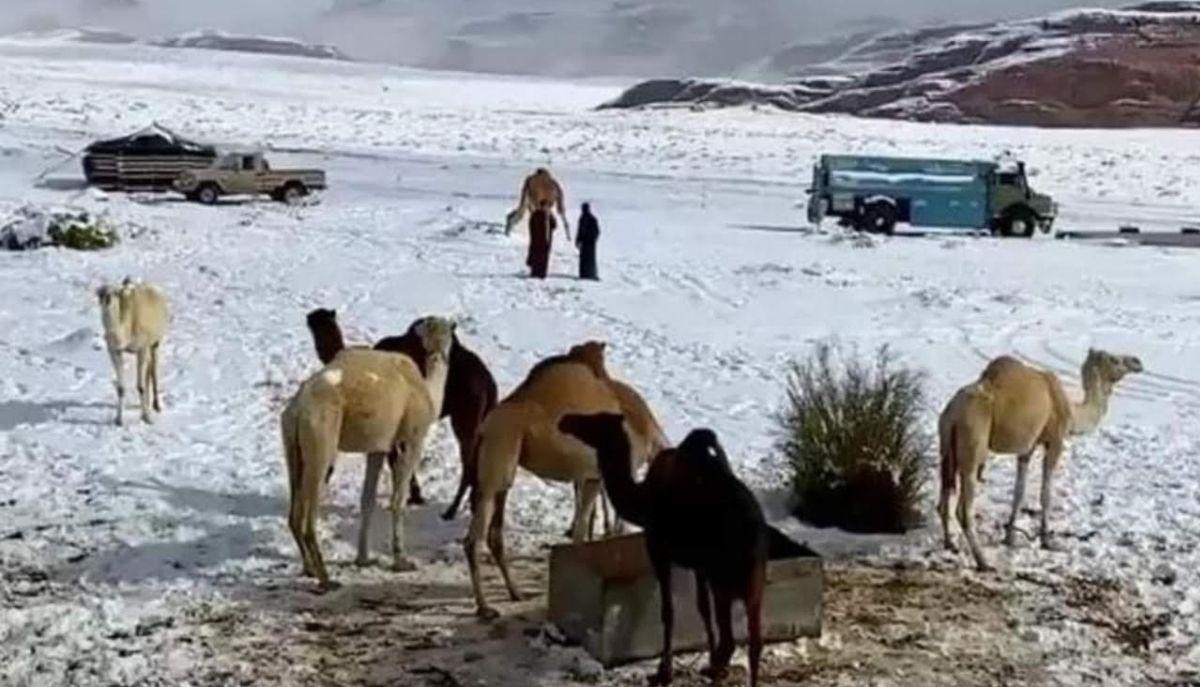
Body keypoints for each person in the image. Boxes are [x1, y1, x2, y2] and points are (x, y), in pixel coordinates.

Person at [527, 203, 557, 279]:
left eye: (547, 207)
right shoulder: (536, 214)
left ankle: (542, 273)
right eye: (544, 206)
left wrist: (552, 216)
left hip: (546, 241)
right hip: (538, 240)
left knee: (544, 258)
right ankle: (535, 272)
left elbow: (554, 225)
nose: (545, 208)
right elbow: (532, 226)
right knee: (537, 257)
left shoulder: (549, 216)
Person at [575, 203, 600, 281]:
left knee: (588, 259)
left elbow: (596, 231)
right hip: (587, 243)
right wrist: (578, 240)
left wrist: (579, 240)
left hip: (588, 242)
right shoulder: (584, 218)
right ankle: (586, 274)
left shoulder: (589, 218)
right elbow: (580, 231)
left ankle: (589, 274)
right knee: (587, 259)